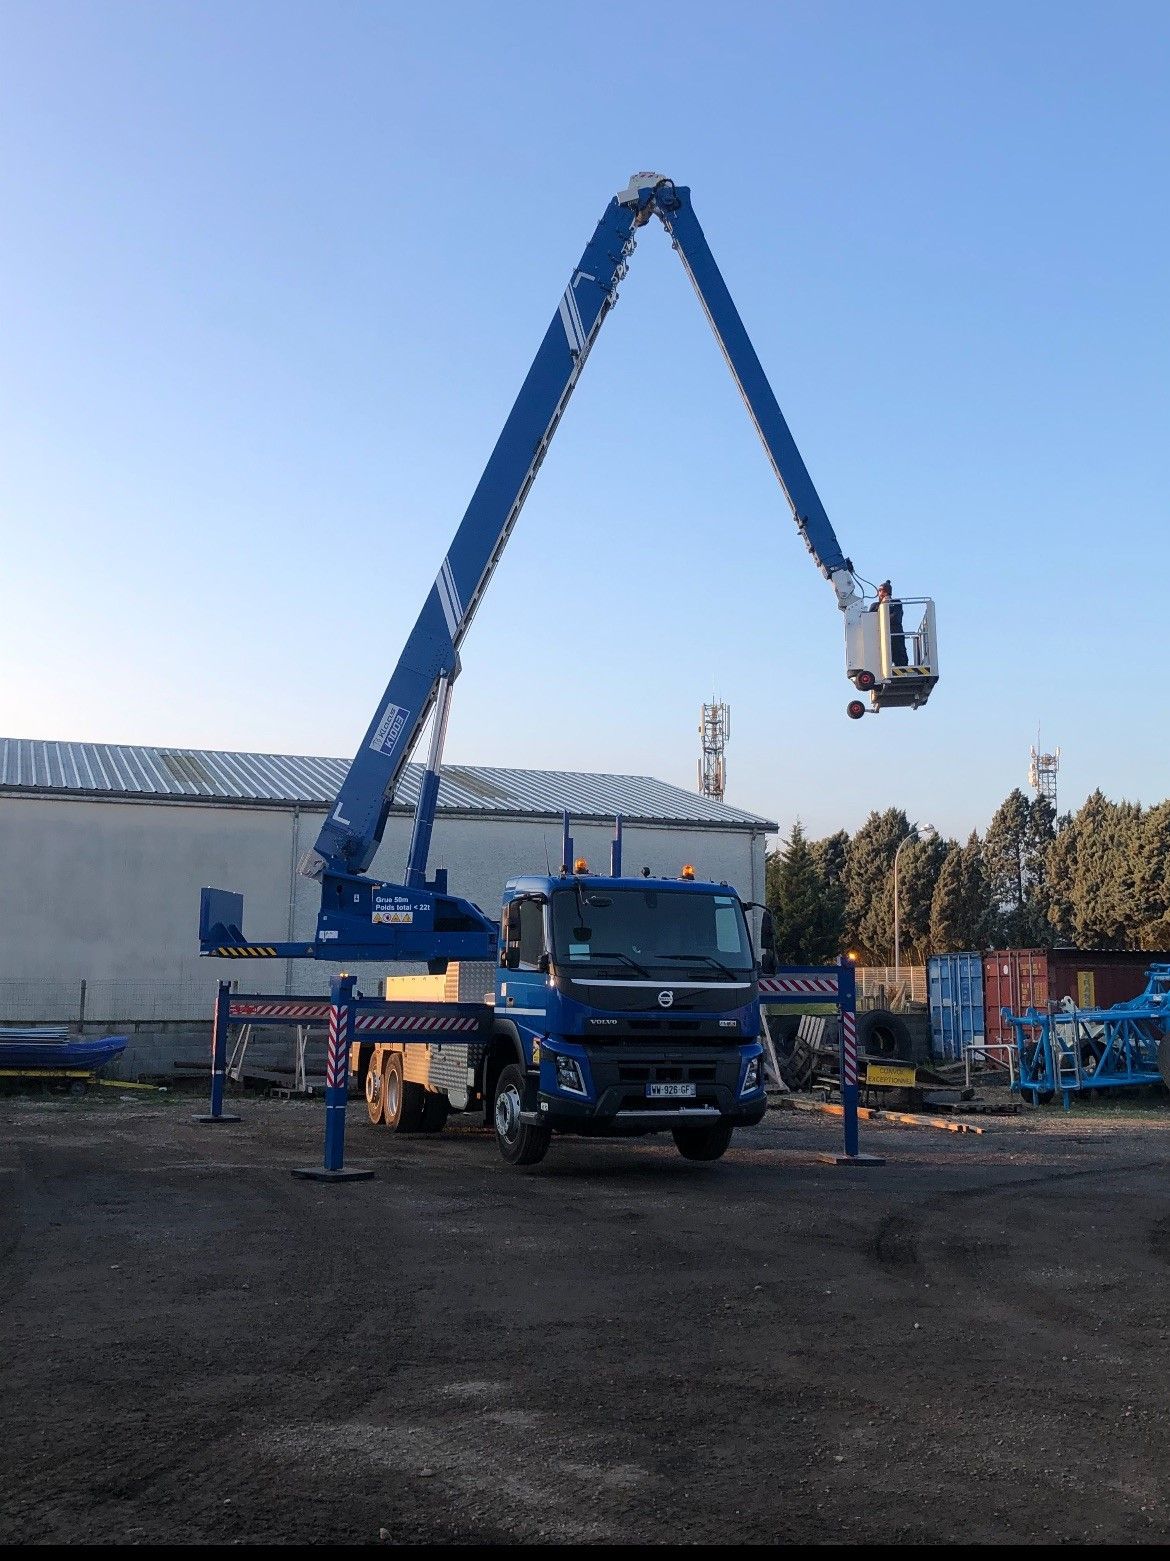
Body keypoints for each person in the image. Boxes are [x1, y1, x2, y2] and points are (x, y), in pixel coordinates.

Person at [870, 580, 908, 667]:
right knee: (879, 660)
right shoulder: (874, 606)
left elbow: (896, 618)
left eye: (884, 591)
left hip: (895, 635)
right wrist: (882, 606)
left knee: (901, 659)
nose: (881, 593)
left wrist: (886, 606)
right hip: (879, 636)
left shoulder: (896, 603)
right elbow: (871, 621)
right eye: (880, 591)